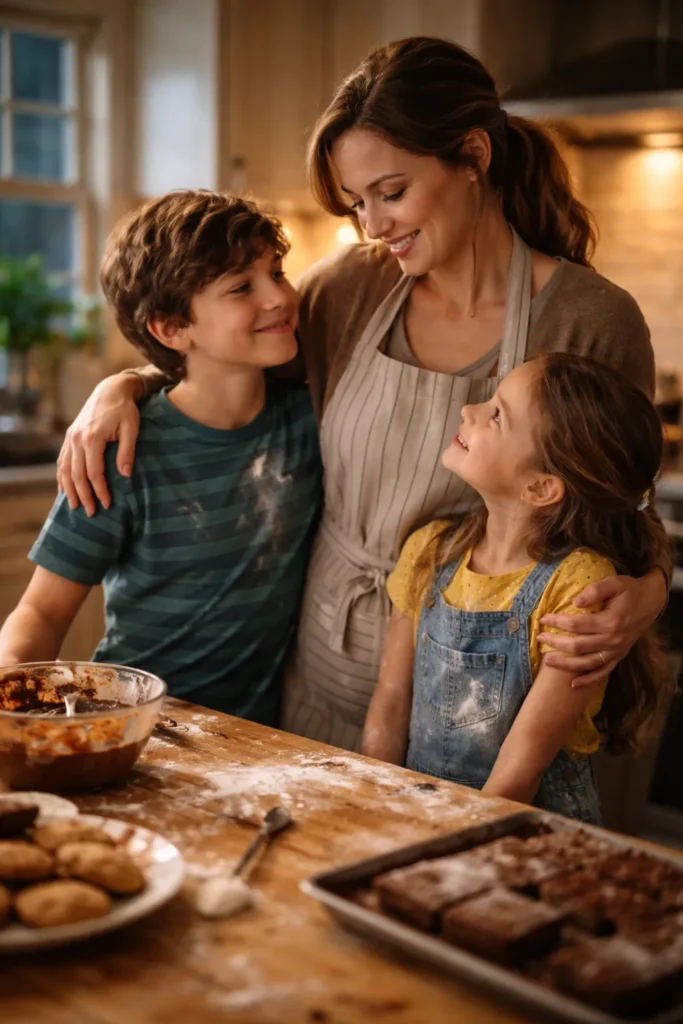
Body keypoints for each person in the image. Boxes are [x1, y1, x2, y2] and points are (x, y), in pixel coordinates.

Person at [55, 38, 670, 753]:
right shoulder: (350, 288)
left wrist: (648, 592)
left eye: (391, 191)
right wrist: (122, 384)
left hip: (489, 699)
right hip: (321, 671)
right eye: (357, 203)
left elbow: (629, 507)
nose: (373, 225)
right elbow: (219, 362)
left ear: (472, 157)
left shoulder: (589, 319)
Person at [0, 191, 322, 725]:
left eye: (278, 272)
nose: (280, 297)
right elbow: (40, 612)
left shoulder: (308, 420)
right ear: (172, 328)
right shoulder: (121, 452)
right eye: (242, 286)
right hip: (136, 726)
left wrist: (125, 381)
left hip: (259, 737)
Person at [363, 354, 670, 824]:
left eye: (497, 415)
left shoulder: (579, 586)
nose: (469, 410)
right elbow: (389, 702)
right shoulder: (430, 551)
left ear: (541, 487)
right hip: (424, 817)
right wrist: (375, 809)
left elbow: (519, 772)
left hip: (523, 830)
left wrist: (442, 849)